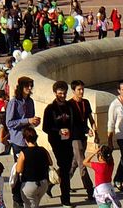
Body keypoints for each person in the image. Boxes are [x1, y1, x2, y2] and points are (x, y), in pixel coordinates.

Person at [6, 78, 40, 208]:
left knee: (30, 170)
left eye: (31, 86)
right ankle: (17, 198)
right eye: (27, 86)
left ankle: (27, 197)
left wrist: (34, 122)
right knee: (18, 170)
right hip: (18, 140)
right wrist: (27, 120)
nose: (30, 89)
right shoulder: (14, 102)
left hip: (29, 140)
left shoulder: (30, 101)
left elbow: (30, 119)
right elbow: (9, 123)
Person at [43, 81, 75, 206]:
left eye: (64, 93)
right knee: (65, 168)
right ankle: (65, 200)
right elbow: (46, 127)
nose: (62, 95)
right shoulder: (50, 109)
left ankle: (50, 183)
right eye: (60, 93)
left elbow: (75, 123)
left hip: (69, 140)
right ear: (55, 93)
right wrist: (59, 131)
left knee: (66, 167)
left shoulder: (70, 106)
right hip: (56, 142)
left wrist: (71, 131)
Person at [69, 80, 96, 201]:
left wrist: (95, 131)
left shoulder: (86, 102)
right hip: (75, 138)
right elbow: (73, 123)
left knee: (74, 163)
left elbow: (90, 118)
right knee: (82, 164)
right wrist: (86, 129)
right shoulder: (69, 105)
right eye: (79, 89)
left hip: (83, 137)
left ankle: (54, 183)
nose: (81, 92)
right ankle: (90, 190)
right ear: (73, 90)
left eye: (82, 89)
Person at [13, 126, 53, 208]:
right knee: (36, 203)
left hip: (29, 184)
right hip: (43, 183)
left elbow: (19, 170)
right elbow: (51, 163)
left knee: (29, 205)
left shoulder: (23, 153)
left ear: (25, 139)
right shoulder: (43, 150)